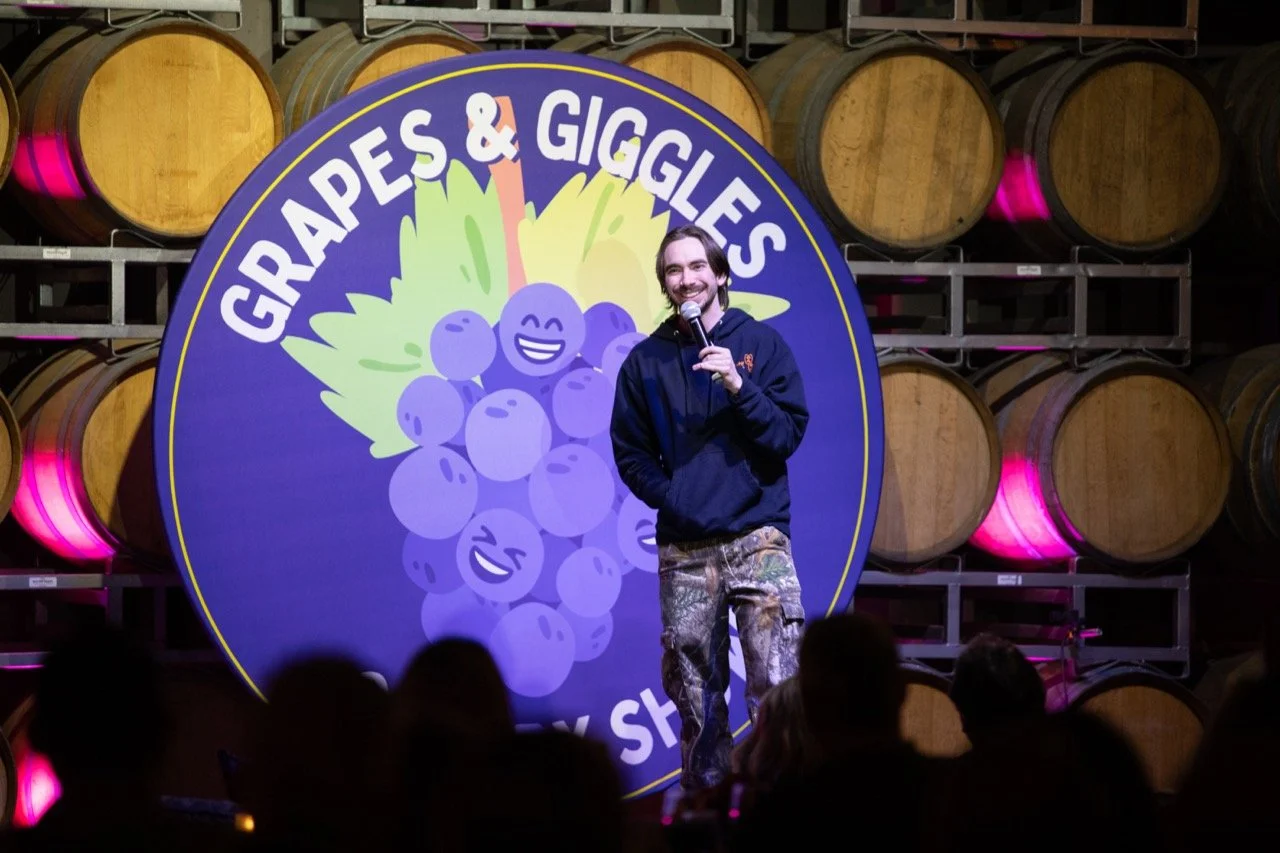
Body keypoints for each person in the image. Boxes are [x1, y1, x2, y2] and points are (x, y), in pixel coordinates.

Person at [609, 222, 809, 792]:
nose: (687, 278)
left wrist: (738, 388)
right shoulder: (646, 362)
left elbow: (786, 435)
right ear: (666, 284)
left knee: (777, 685)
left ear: (720, 275)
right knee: (694, 694)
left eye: (697, 267)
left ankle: (782, 805)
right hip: (686, 547)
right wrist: (675, 497)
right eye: (674, 270)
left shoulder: (761, 346)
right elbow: (631, 452)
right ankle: (705, 813)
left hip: (758, 540)